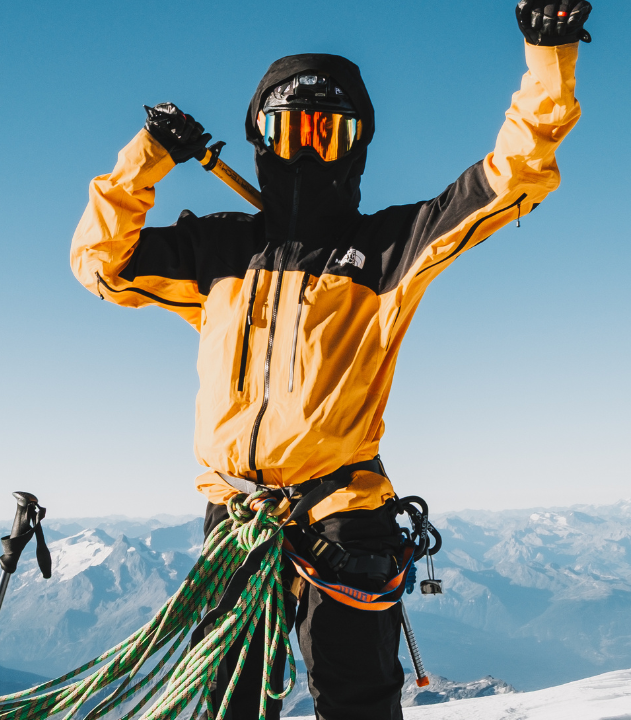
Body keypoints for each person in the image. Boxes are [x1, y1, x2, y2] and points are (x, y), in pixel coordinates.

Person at [70, 3, 592, 717]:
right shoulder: (221, 252)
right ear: (262, 138)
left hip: (343, 520)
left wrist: (547, 59)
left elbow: (513, 178)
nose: (308, 149)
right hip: (237, 517)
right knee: (228, 703)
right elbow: (99, 263)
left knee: (356, 704)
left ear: (355, 144)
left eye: (328, 131)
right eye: (291, 129)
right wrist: (147, 153)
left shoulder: (388, 249)